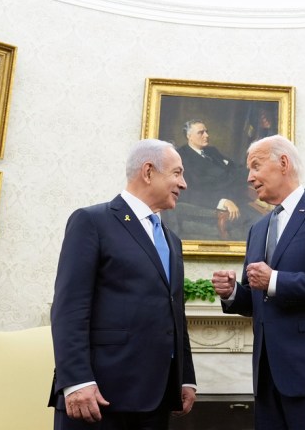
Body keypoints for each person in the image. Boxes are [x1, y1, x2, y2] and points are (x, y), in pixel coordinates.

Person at [211, 135, 305, 430]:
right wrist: (232, 293)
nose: (249, 177)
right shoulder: (257, 228)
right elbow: (258, 298)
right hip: (267, 376)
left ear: (283, 162)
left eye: (255, 166)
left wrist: (275, 279)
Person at [49, 139, 196, 429]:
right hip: (100, 394)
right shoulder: (92, 222)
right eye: (177, 173)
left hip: (157, 396)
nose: (184, 183)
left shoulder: (171, 239)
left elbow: (174, 312)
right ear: (149, 171)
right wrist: (76, 381)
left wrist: (185, 376)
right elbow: (69, 307)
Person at [176, 119, 265, 240]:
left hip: (238, 199)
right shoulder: (181, 157)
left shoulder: (211, 151)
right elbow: (188, 191)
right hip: (214, 208)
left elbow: (235, 169)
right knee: (260, 223)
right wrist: (222, 201)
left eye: (206, 131)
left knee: (265, 218)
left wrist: (260, 172)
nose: (207, 135)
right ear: (189, 136)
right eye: (201, 133)